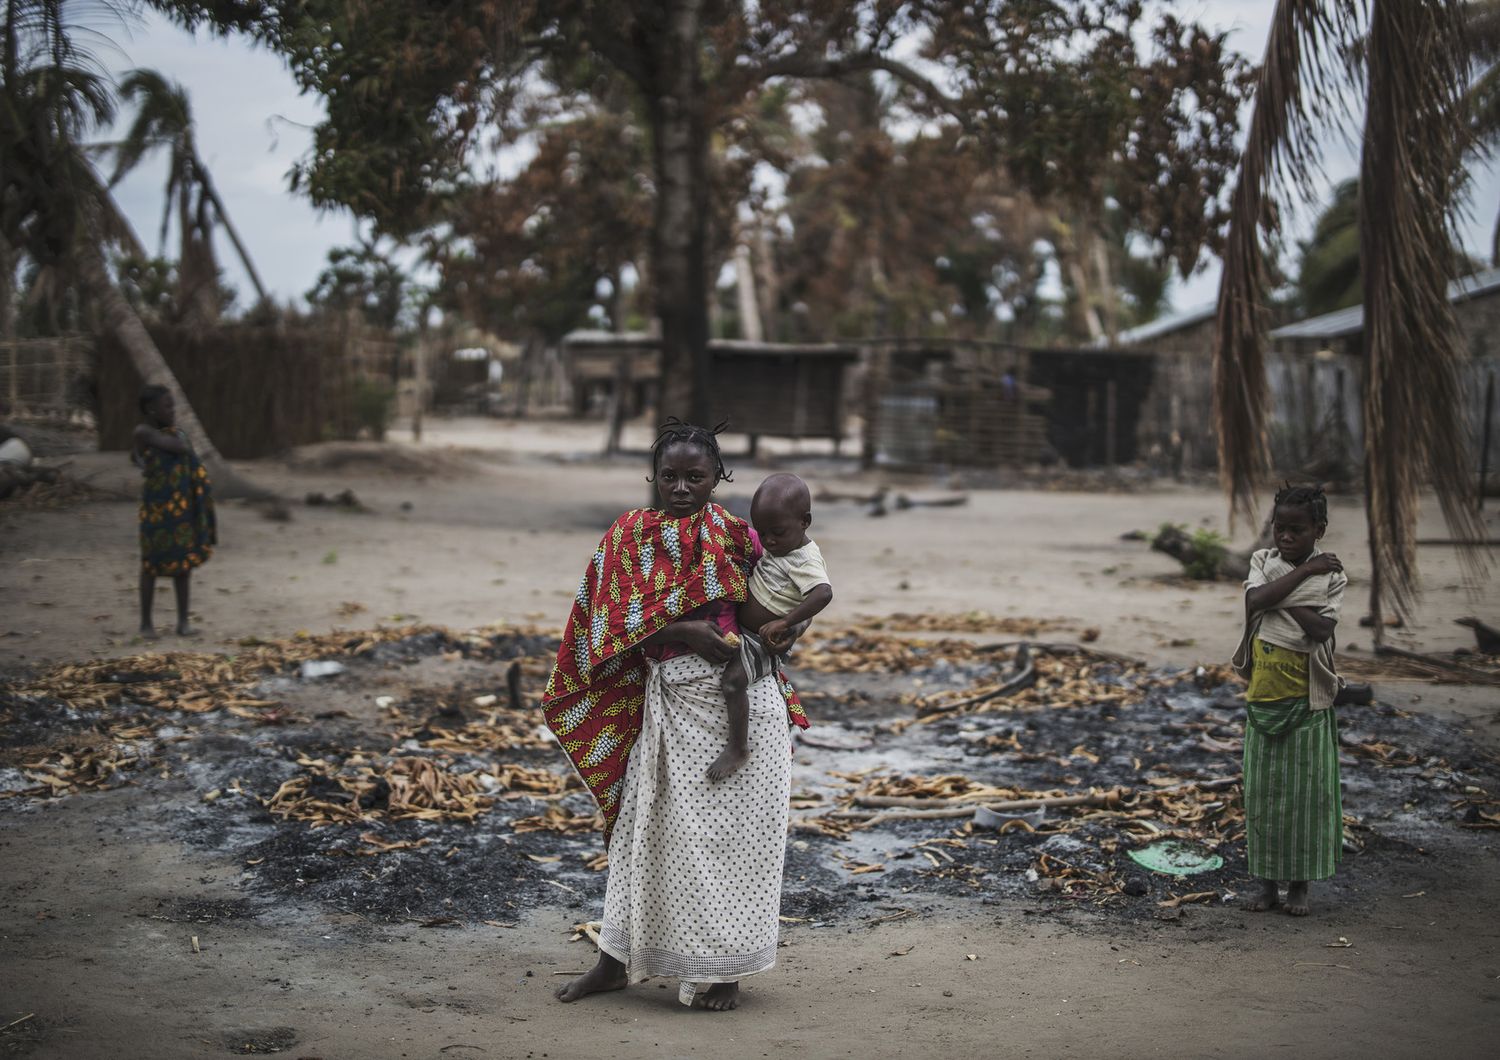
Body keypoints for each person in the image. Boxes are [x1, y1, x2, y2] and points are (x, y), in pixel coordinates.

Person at [543, 420, 809, 1012]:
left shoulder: (741, 537)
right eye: (670, 476)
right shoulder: (628, 537)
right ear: (653, 478)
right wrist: (686, 628)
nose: (682, 487)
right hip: (671, 705)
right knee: (645, 834)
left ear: (719, 477)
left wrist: (780, 633)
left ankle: (725, 970)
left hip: (746, 705)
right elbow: (603, 629)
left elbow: (786, 599)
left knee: (736, 842)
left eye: (696, 476)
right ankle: (614, 962)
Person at [1230, 484, 1346, 916]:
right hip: (1263, 703)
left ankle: (1299, 888)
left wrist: (1279, 597)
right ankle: (1266, 888)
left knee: (1304, 802)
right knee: (1262, 800)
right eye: (1280, 528)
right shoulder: (1264, 562)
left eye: (1297, 530)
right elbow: (1254, 600)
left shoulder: (1332, 576)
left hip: (1307, 706)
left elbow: (1321, 631)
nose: (1286, 537)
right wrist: (1300, 579)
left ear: (1319, 529)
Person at [708, 472, 831, 781]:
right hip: (746, 631)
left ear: (805, 521)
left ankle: (738, 747)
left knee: (733, 682)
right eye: (762, 533)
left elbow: (823, 593)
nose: (769, 541)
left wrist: (787, 622)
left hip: (759, 642)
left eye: (777, 532)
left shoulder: (804, 560)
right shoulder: (779, 549)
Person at [133, 384, 216, 638]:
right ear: (150, 409)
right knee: (150, 565)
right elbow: (169, 449)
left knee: (183, 566)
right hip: (156, 510)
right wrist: (143, 462)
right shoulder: (144, 432)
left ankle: (183, 622)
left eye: (173, 405)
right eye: (167, 406)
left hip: (180, 511)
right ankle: (146, 624)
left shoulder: (175, 434)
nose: (173, 410)